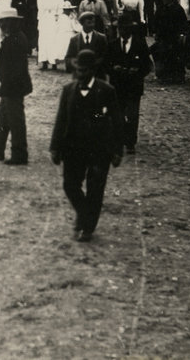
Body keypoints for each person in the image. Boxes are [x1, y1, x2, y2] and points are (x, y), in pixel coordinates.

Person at [49, 49, 123, 242]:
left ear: (92, 70)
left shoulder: (106, 91)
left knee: (95, 190)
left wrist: (117, 150)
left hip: (99, 149)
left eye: (83, 70)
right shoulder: (68, 90)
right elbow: (61, 120)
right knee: (70, 185)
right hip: (73, 148)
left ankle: (88, 227)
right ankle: (84, 214)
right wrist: (55, 147)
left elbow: (116, 121)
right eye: (77, 70)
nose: (79, 74)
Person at [0, 7, 33, 164]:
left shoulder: (15, 40)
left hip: (13, 87)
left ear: (10, 23)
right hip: (9, 86)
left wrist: (8, 85)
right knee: (3, 119)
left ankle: (20, 154)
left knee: (16, 121)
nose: (0, 25)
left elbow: (16, 68)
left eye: (2, 22)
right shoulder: (14, 37)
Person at [106, 12, 152, 153]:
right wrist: (114, 69)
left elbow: (147, 66)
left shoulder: (140, 45)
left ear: (131, 29)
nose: (123, 31)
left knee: (132, 115)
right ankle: (120, 138)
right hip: (117, 86)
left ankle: (131, 142)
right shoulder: (112, 45)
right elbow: (106, 65)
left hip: (133, 87)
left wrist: (137, 72)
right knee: (118, 115)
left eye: (125, 28)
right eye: (120, 28)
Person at [64, 11, 109, 78]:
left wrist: (94, 64)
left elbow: (106, 56)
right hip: (79, 77)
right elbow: (68, 58)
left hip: (97, 76)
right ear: (82, 23)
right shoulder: (74, 39)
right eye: (89, 22)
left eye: (93, 22)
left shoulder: (101, 38)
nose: (92, 25)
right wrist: (76, 65)